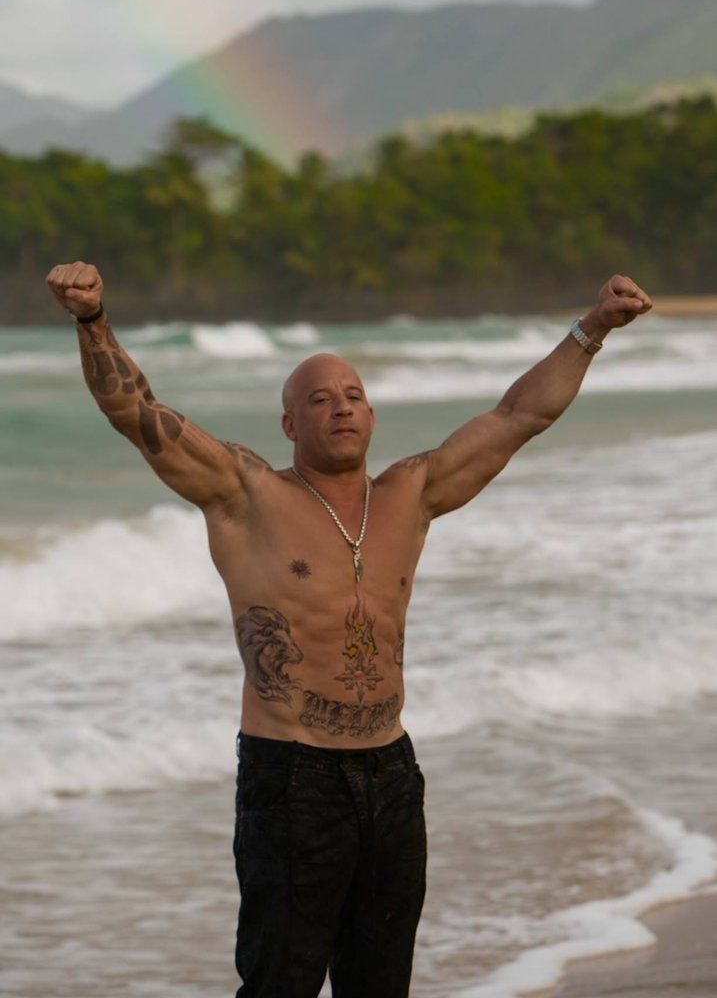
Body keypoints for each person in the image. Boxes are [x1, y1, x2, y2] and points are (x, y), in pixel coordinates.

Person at [45, 261, 653, 998]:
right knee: (281, 984)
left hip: (392, 775)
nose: (342, 409)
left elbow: (517, 416)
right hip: (293, 777)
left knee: (379, 986)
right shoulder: (246, 495)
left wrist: (590, 331)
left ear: (372, 416)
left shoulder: (411, 494)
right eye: (320, 399)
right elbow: (138, 414)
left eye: (355, 396)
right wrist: (91, 320)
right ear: (289, 424)